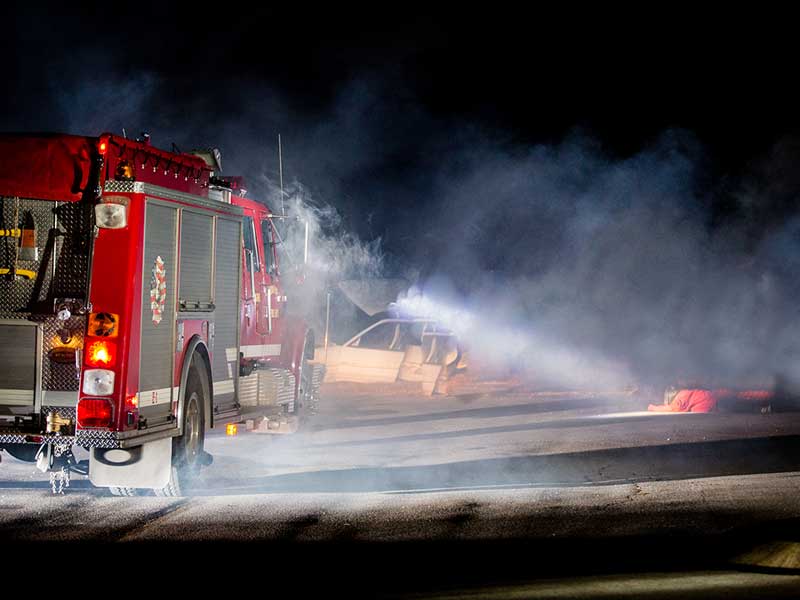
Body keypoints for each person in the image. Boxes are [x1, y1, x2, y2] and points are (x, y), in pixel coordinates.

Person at [648, 388, 716, 413]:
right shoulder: (684, 393)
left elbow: (672, 408)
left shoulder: (680, 398)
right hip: (712, 399)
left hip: (708, 405)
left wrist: (653, 408)